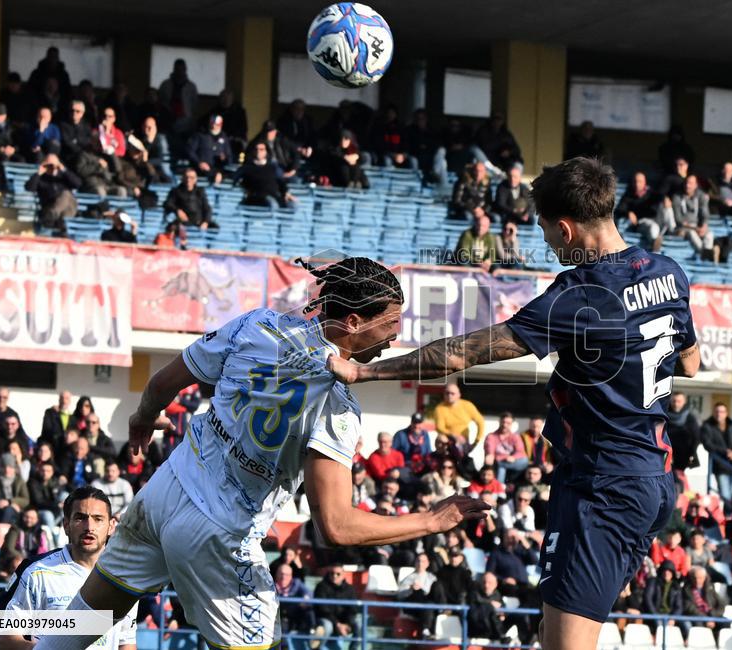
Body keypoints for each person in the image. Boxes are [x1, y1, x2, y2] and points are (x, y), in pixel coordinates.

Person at [328, 156, 701, 650]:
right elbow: (691, 363)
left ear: (566, 229)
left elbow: (461, 353)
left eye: (545, 230)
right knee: (552, 632)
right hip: (650, 479)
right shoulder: (669, 272)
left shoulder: (581, 294)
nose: (544, 242)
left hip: (602, 487)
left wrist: (365, 371)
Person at [33, 257, 487, 650]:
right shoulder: (337, 405)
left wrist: (142, 417)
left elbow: (163, 384)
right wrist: (431, 520)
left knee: (75, 628)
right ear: (352, 322)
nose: (396, 335)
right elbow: (337, 527)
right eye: (389, 323)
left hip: (162, 494)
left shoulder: (257, 324)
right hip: (220, 534)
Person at [0, 488, 137, 650]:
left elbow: (126, 642)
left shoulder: (124, 579)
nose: (89, 527)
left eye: (98, 519)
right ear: (66, 525)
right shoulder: (38, 574)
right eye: (80, 518)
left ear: (111, 525)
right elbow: (6, 639)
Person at [700, 403, 732, 504]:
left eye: (721, 412)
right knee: (725, 495)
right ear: (713, 412)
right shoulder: (707, 426)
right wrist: (725, 452)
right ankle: (727, 516)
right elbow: (707, 444)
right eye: (717, 411)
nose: (719, 414)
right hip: (720, 466)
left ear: (726, 413)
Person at [24, 153, 80, 234]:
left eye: (54, 165)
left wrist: (63, 170)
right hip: (49, 207)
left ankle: (54, 219)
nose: (52, 167)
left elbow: (78, 184)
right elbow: (29, 188)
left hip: (68, 208)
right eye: (49, 165)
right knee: (62, 204)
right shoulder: (41, 179)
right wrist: (38, 173)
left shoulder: (63, 177)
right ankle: (62, 226)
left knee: (66, 194)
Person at [616, 172, 668, 252]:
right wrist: (628, 213)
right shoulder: (628, 194)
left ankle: (655, 245)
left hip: (649, 222)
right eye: (635, 181)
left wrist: (665, 198)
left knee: (653, 228)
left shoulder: (651, 194)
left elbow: (659, 199)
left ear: (645, 182)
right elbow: (619, 210)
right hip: (634, 225)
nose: (637, 184)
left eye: (640, 181)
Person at [235, 140, 295, 208]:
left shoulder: (274, 168)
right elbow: (236, 182)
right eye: (256, 149)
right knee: (271, 204)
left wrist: (286, 193)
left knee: (292, 205)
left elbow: (281, 182)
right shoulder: (246, 168)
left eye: (261, 149)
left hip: (274, 196)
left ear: (266, 152)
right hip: (255, 199)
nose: (258, 151)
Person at [313, 565, 359, 649]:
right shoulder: (321, 587)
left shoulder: (350, 589)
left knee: (357, 625)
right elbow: (322, 609)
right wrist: (337, 624)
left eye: (338, 574)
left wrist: (347, 624)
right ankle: (317, 648)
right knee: (327, 626)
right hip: (325, 618)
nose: (334, 576)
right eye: (332, 573)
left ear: (343, 575)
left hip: (343, 621)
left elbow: (353, 609)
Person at [434, 382, 486, 453]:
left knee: (461, 452)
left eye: (452, 393)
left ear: (459, 395)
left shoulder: (467, 405)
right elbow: (440, 428)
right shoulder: (439, 408)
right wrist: (454, 436)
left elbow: (480, 422)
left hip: (464, 440)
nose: (449, 395)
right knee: (441, 438)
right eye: (447, 393)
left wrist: (477, 440)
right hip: (447, 439)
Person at [397, 552, 441, 637]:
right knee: (419, 594)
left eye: (423, 561)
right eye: (418, 561)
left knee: (430, 603)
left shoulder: (432, 578)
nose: (420, 563)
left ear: (427, 564)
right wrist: (411, 589)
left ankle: (427, 629)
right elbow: (399, 595)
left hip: (428, 605)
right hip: (413, 606)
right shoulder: (409, 578)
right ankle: (425, 630)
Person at [671, 175, 715, 257]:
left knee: (709, 234)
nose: (688, 185)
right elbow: (678, 220)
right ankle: (705, 256)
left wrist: (704, 226)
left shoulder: (700, 196)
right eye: (686, 183)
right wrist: (695, 229)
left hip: (697, 227)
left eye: (690, 183)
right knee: (692, 233)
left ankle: (705, 258)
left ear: (695, 185)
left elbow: (705, 213)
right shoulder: (677, 197)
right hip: (682, 229)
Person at [666, 392, 700, 494]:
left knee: (678, 479)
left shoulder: (690, 417)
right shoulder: (665, 415)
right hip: (667, 454)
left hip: (684, 455)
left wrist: (692, 454)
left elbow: (696, 437)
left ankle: (681, 500)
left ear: (684, 402)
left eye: (679, 401)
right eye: (674, 401)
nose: (676, 404)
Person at [0, 453, 30, 524]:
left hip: (16, 511)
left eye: (10, 467)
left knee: (9, 511)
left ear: (14, 468)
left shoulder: (20, 481)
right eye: (4, 467)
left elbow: (25, 500)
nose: (7, 470)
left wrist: (10, 502)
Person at [158, 58, 199, 138]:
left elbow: (195, 104)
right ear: (174, 69)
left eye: (182, 69)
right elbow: (160, 101)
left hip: (186, 120)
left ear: (185, 69)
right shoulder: (165, 85)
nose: (179, 71)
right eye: (177, 69)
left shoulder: (191, 86)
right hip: (167, 120)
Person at [484, 412, 529, 483]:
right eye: (503, 422)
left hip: (510, 462)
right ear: (500, 422)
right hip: (497, 462)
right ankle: (500, 487)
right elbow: (490, 450)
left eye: (508, 423)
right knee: (501, 467)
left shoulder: (515, 436)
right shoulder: (491, 436)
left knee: (524, 461)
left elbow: (520, 452)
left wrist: (514, 457)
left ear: (511, 424)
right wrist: (490, 455)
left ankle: (501, 486)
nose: (505, 425)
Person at [273, 563, 315, 635]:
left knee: (309, 610)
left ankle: (313, 631)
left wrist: (305, 599)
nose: (283, 577)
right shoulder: (270, 584)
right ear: (276, 574)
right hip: (279, 614)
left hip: (294, 611)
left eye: (287, 575)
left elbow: (309, 593)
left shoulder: (296, 583)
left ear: (291, 576)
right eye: (281, 574)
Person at [186, 114, 230, 183]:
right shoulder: (200, 135)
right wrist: (199, 162)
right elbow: (190, 151)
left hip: (217, 169)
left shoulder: (224, 137)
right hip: (201, 169)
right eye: (212, 124)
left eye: (216, 125)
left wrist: (224, 158)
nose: (213, 126)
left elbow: (229, 155)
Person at [682, 566, 726, 630]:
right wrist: (706, 619)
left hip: (712, 615)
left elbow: (721, 604)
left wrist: (712, 616)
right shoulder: (686, 589)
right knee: (698, 625)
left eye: (700, 578)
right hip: (697, 617)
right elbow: (690, 608)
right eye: (695, 578)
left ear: (705, 578)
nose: (697, 580)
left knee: (725, 622)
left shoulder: (710, 587)